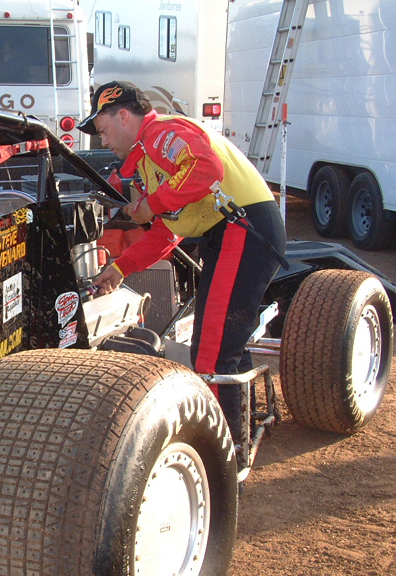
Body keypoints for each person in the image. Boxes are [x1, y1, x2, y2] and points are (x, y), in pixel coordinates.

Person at [78, 81, 287, 453]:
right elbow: (170, 229)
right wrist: (121, 268)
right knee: (226, 344)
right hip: (238, 230)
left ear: (123, 116)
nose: (103, 141)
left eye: (103, 130)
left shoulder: (161, 134)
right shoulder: (151, 155)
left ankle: (221, 455)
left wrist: (150, 204)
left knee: (210, 354)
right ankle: (240, 431)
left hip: (242, 228)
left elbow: (205, 169)